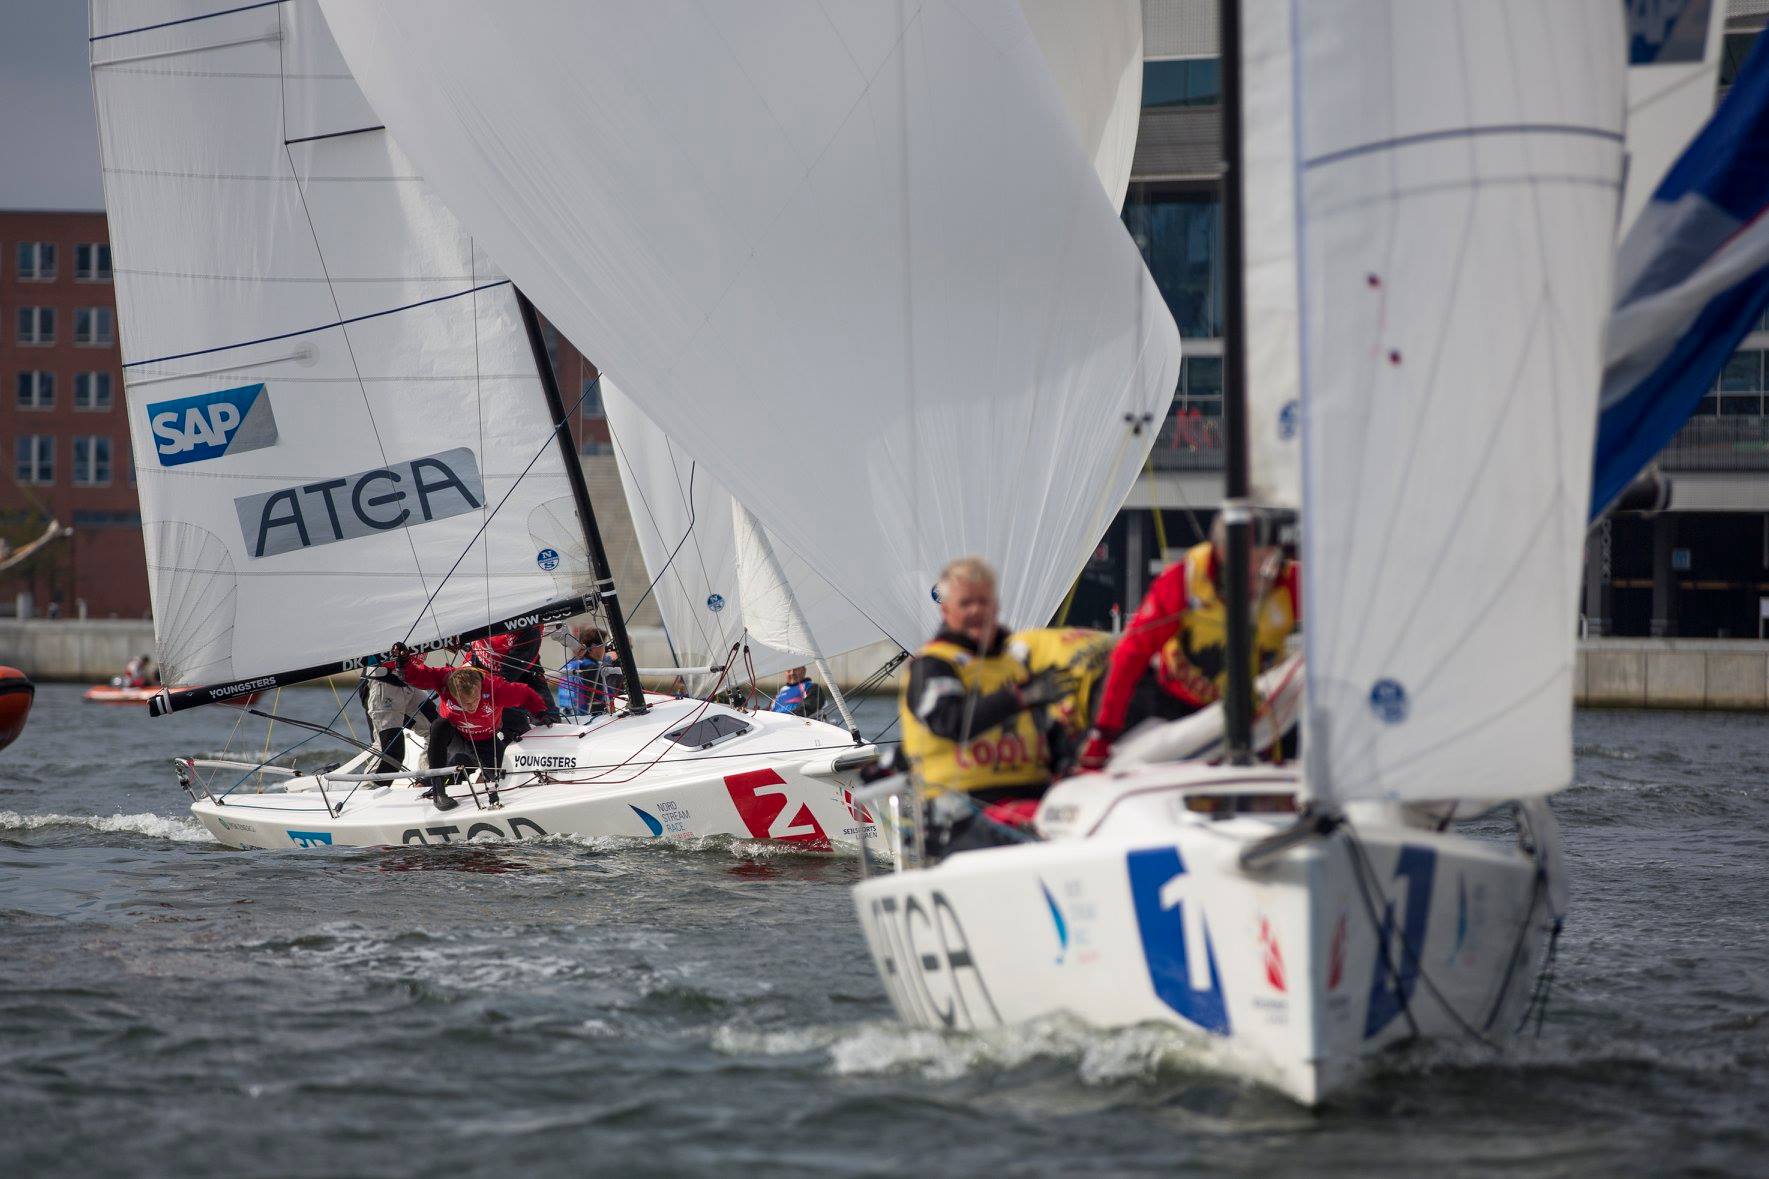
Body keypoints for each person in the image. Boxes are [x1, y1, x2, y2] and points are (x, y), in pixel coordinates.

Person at [1078, 517, 1299, 770]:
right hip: (1176, 706)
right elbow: (1131, 653)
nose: (1261, 577)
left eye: (1269, 564)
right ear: (1223, 553)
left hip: (1256, 712)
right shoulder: (1185, 580)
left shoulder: (1290, 582)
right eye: (1253, 564)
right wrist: (1103, 734)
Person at [900, 556, 1075, 857]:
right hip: (960, 810)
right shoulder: (934, 665)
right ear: (946, 610)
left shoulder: (1015, 665)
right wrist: (1016, 698)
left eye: (984, 602)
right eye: (966, 604)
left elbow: (1050, 731)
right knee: (1050, 845)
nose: (977, 611)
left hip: (1032, 800)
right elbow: (948, 721)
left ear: (996, 607)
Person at [385, 643, 554, 809]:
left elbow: (526, 694)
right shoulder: (445, 679)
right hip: (455, 736)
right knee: (439, 725)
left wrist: (540, 712)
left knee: (497, 775)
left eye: (474, 700)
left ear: (480, 689)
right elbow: (418, 677)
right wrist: (403, 663)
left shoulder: (496, 688)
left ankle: (479, 777)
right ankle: (438, 791)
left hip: (485, 739)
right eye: (464, 703)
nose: (470, 706)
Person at [358, 658, 439, 770]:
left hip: (408, 681)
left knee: (439, 731)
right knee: (391, 752)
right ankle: (368, 788)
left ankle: (427, 781)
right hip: (383, 682)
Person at [469, 623, 556, 710]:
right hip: (480, 665)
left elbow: (510, 672)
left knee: (546, 716)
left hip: (523, 671)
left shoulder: (530, 629)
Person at [557, 628, 623, 716]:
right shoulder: (593, 669)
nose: (605, 649)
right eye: (603, 645)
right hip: (586, 717)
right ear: (593, 647)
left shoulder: (571, 665)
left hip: (568, 715)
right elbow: (596, 703)